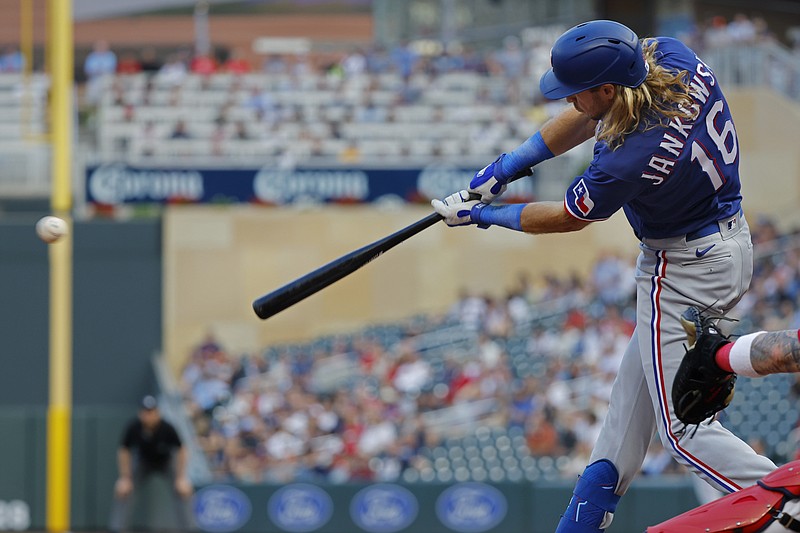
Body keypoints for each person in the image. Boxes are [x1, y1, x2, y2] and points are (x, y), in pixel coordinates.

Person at [431, 19, 777, 532]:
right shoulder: (667, 56)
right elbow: (592, 115)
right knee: (629, 404)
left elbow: (570, 217)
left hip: (684, 268)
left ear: (609, 87)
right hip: (720, 244)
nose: (569, 101)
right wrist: (506, 167)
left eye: (577, 92)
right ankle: (583, 520)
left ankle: (785, 500)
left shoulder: (628, 157)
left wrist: (484, 215)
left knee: (682, 429)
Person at [109, 395, 193, 533]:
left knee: (182, 491)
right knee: (124, 490)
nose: (148, 415)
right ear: (140, 413)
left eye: (151, 411)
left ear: (157, 412)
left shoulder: (167, 427)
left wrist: (181, 477)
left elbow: (182, 450)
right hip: (143, 462)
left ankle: (190, 530)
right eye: (145, 412)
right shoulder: (134, 427)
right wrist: (125, 478)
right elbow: (124, 451)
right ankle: (117, 529)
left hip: (166, 462)